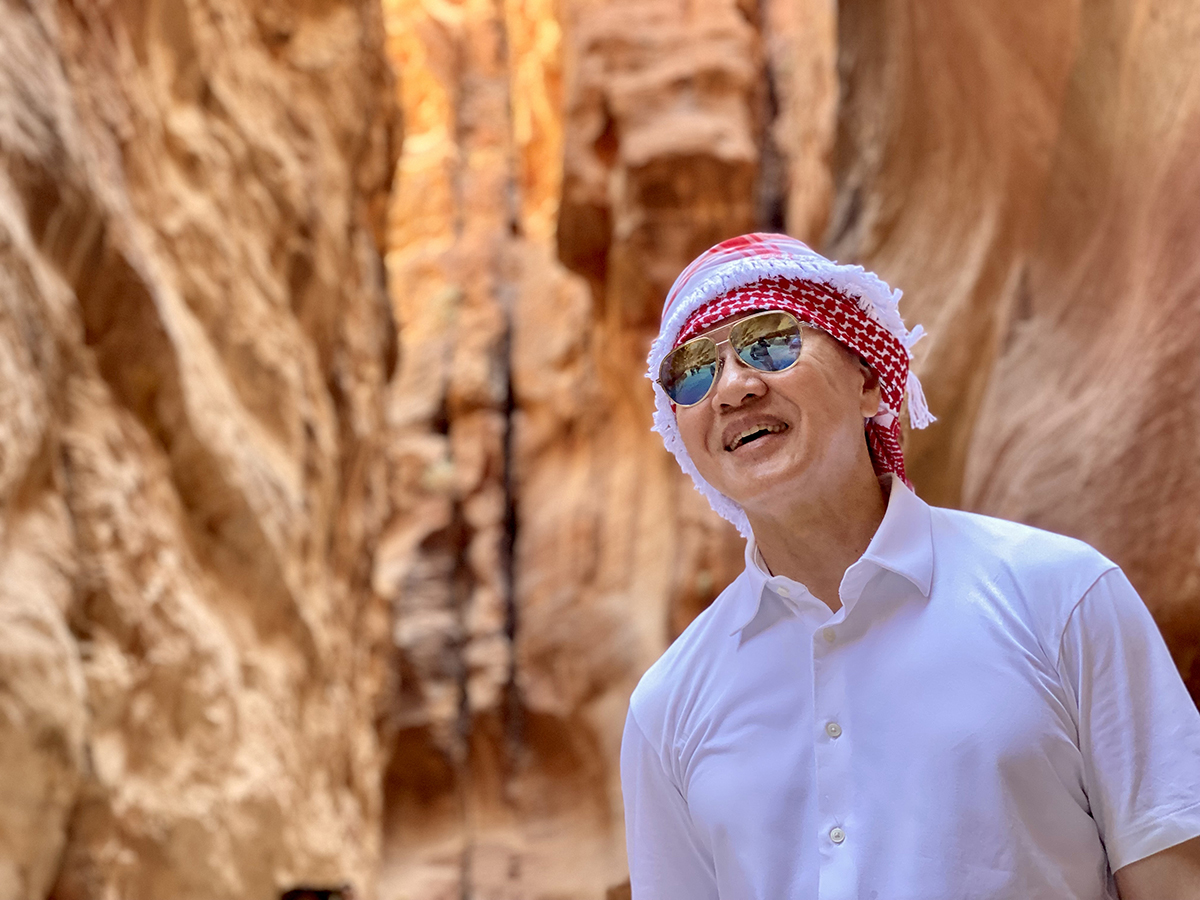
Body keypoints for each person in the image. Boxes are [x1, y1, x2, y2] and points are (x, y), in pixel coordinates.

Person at [620, 233, 1200, 899]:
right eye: (694, 372)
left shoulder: (1062, 598)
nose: (734, 389)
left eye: (771, 341)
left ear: (869, 381)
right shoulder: (667, 706)